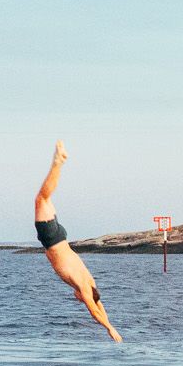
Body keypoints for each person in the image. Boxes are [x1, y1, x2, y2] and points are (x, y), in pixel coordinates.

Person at [34, 141, 121, 341]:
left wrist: (109, 320)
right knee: (41, 198)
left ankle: (58, 164)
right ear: (86, 296)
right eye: (82, 300)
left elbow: (100, 305)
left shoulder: (90, 281)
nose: (78, 299)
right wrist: (110, 329)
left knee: (45, 198)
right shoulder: (83, 286)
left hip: (60, 236)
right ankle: (58, 162)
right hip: (52, 238)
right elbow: (95, 310)